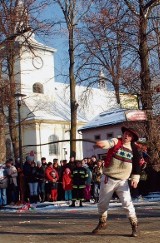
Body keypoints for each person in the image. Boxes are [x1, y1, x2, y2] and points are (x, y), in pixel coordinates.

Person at [92, 126, 141, 237]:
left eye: (129, 135)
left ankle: (134, 225)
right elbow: (108, 143)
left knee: (127, 204)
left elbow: (137, 165)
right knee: (102, 204)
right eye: (125, 134)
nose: (126, 136)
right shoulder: (116, 141)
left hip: (122, 181)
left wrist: (135, 178)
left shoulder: (134, 149)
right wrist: (102, 144)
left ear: (132, 138)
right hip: (108, 178)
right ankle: (102, 222)